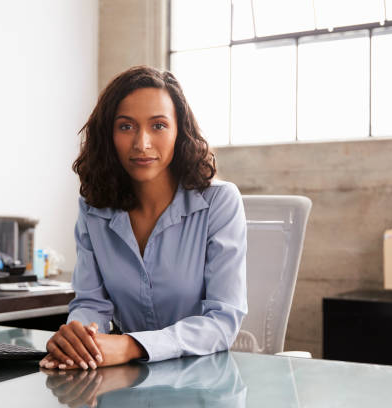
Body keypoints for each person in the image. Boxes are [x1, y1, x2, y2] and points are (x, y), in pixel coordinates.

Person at [40, 65, 247, 371]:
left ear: (180, 131)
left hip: (205, 383)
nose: (142, 143)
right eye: (126, 127)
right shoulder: (93, 208)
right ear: (109, 135)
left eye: (159, 126)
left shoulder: (219, 202)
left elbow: (222, 321)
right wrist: (81, 339)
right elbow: (91, 304)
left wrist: (131, 345)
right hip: (128, 380)